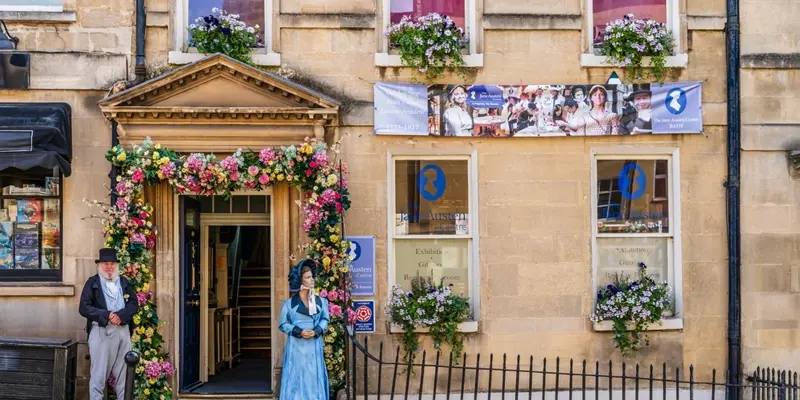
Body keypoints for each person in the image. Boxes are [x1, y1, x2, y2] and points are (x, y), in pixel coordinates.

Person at [79, 248, 139, 400]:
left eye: (112, 264)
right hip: (101, 332)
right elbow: (84, 307)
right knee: (99, 375)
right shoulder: (92, 283)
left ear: (116, 265)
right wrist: (107, 315)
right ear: (99, 265)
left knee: (124, 375)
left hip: (123, 331)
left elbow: (134, 304)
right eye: (105, 263)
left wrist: (121, 316)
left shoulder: (124, 282)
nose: (109, 267)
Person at [279, 259, 330, 400]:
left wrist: (317, 330)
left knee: (313, 374)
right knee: (296, 375)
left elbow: (325, 319)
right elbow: (283, 324)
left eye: (312, 276)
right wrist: (299, 331)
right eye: (308, 277)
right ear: (300, 281)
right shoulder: (289, 304)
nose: (312, 280)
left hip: (314, 344)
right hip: (297, 347)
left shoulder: (321, 302)